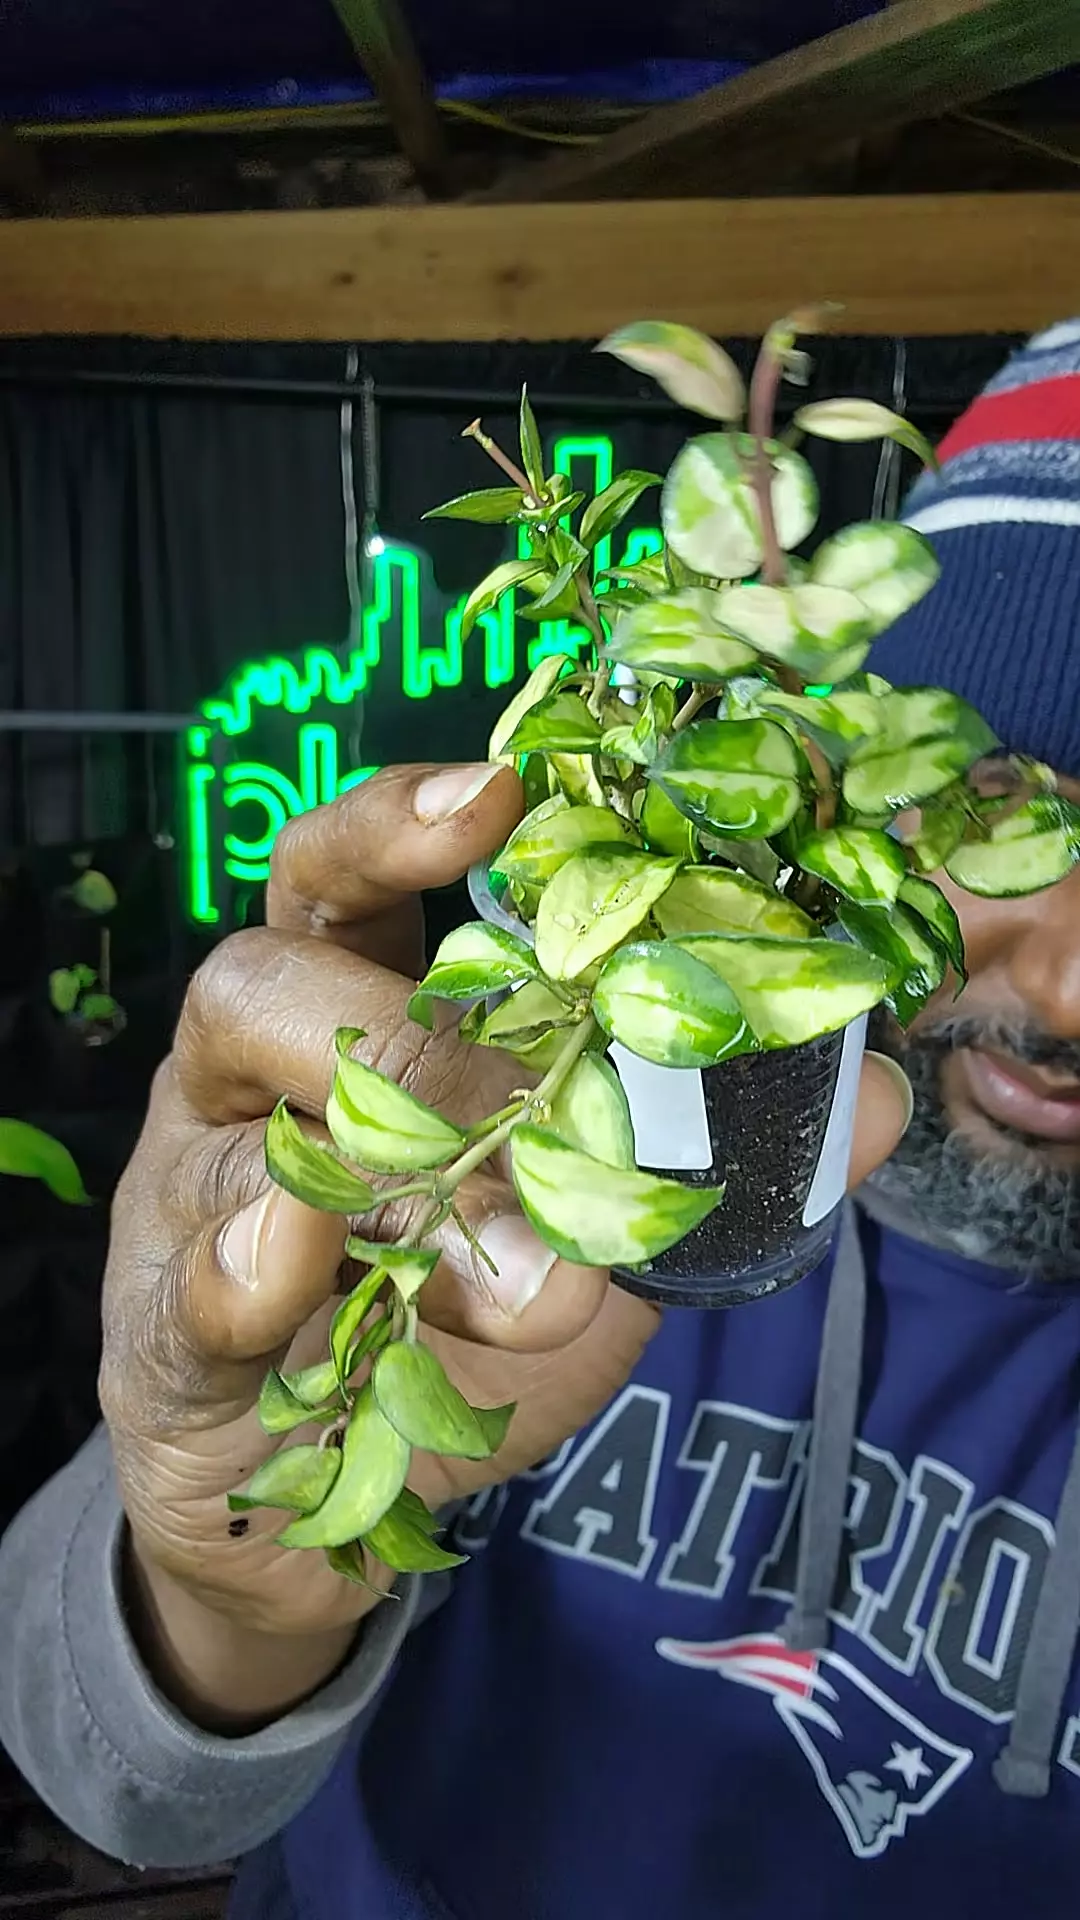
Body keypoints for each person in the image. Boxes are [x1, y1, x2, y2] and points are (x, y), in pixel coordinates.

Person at [2, 324, 1080, 1919]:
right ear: (835, 810)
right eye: (1012, 813)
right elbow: (111, 1771)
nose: (1069, 988)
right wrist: (218, 1593)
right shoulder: (560, 1137)